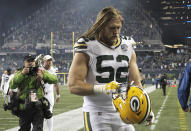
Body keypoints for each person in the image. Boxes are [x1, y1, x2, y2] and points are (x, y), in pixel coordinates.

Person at [68, 6, 153, 131]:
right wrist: (103, 88)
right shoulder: (87, 45)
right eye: (112, 28)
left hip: (123, 111)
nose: (116, 32)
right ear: (101, 26)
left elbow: (136, 83)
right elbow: (73, 85)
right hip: (97, 112)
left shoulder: (127, 45)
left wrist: (146, 108)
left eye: (118, 28)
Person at [9, 54, 58, 131]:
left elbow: (55, 79)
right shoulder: (19, 72)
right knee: (24, 129)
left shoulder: (40, 71)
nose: (31, 62)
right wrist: (22, 74)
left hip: (37, 107)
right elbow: (12, 85)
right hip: (24, 107)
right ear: (24, 63)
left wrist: (43, 77)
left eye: (32, 61)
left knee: (38, 129)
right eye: (28, 61)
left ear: (34, 62)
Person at [40, 55, 60, 131]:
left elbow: (56, 83)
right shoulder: (39, 69)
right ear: (44, 61)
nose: (49, 62)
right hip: (39, 94)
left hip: (49, 94)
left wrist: (58, 95)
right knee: (38, 113)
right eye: (48, 60)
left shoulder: (53, 70)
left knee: (49, 112)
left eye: (50, 60)